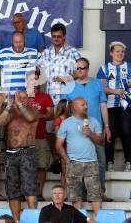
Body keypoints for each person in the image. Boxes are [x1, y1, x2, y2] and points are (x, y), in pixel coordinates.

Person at [62, 57, 111, 201]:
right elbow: (65, 109)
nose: (80, 71)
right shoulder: (69, 86)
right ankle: (80, 194)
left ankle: (100, 192)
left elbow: (103, 105)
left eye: (82, 68)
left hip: (95, 129)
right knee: (76, 163)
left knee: (100, 161)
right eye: (77, 68)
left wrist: (106, 126)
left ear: (88, 69)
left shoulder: (97, 84)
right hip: (75, 132)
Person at [56, 97, 103, 215]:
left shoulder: (93, 121)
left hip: (92, 162)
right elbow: (58, 145)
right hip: (74, 162)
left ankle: (100, 220)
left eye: (86, 104)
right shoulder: (66, 123)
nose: (86, 107)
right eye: (83, 105)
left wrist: (90, 133)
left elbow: (101, 142)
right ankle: (77, 220)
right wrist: (67, 160)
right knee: (75, 196)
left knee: (96, 195)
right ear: (74, 107)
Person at [0, 90, 39, 222]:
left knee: (30, 189)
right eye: (18, 98)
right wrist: (9, 106)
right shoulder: (10, 112)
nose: (21, 100)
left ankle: (32, 219)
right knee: (12, 190)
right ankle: (16, 221)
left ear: (28, 99)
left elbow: (31, 118)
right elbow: (0, 122)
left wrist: (19, 105)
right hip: (11, 154)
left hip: (28, 152)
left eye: (23, 98)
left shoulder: (34, 110)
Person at [96, 41, 131, 172]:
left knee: (127, 132)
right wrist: (115, 91)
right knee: (110, 133)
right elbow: (101, 88)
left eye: (122, 52)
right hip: (109, 106)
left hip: (126, 105)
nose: (120, 54)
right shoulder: (104, 68)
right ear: (111, 53)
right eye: (117, 51)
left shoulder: (129, 66)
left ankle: (129, 162)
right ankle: (109, 162)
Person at [26, 71, 54, 201]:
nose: (34, 81)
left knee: (41, 166)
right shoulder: (22, 96)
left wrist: (38, 115)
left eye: (36, 79)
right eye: (31, 79)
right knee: (25, 167)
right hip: (24, 139)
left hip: (40, 136)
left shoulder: (45, 96)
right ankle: (26, 193)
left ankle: (39, 193)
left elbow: (50, 115)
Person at [39, 23, 81, 105]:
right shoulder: (45, 53)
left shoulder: (73, 52)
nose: (56, 39)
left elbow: (81, 72)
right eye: (54, 36)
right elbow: (38, 71)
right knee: (52, 118)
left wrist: (67, 78)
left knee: (66, 118)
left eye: (59, 36)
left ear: (64, 36)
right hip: (50, 97)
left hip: (68, 97)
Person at [0, 32, 40, 96]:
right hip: (8, 97)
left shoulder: (34, 53)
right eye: (16, 42)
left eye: (20, 41)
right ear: (12, 42)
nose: (18, 44)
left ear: (25, 41)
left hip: (27, 98)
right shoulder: (3, 53)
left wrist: (37, 74)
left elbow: (46, 66)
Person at [53, 99, 72, 187]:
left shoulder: (71, 118)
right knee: (64, 171)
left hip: (71, 147)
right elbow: (57, 135)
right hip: (63, 147)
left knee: (70, 170)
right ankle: (64, 190)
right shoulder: (58, 119)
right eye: (70, 106)